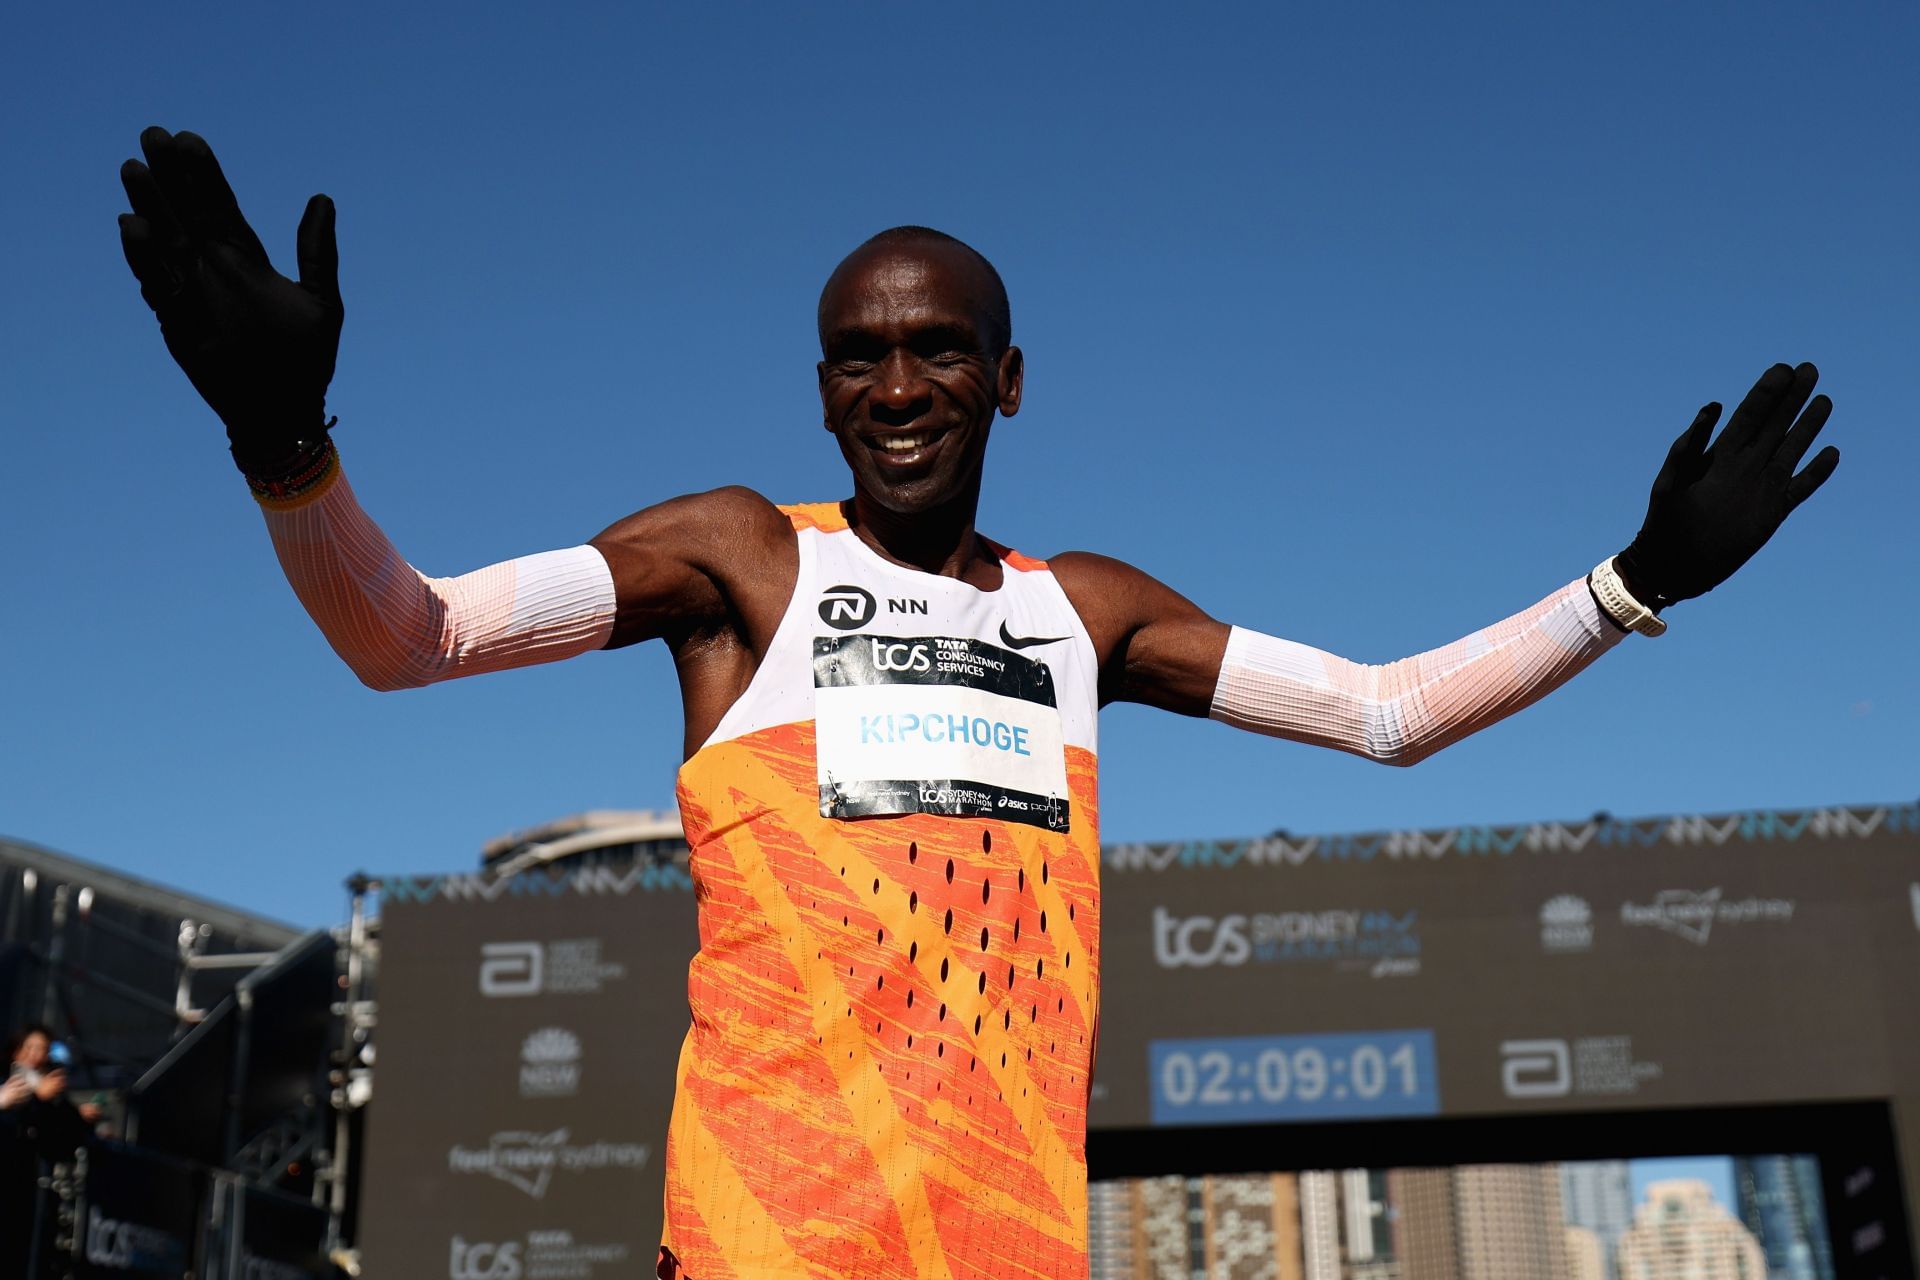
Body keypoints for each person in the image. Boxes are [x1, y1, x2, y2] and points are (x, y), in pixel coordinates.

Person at [116, 127, 1839, 1279]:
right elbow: (406, 636)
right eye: (858, 356)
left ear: (1005, 376)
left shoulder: (1081, 612)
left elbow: (1387, 712)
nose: (897, 386)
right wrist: (287, 447)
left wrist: (1632, 586)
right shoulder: (737, 563)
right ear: (819, 389)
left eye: (936, 347)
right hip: (757, 1252)